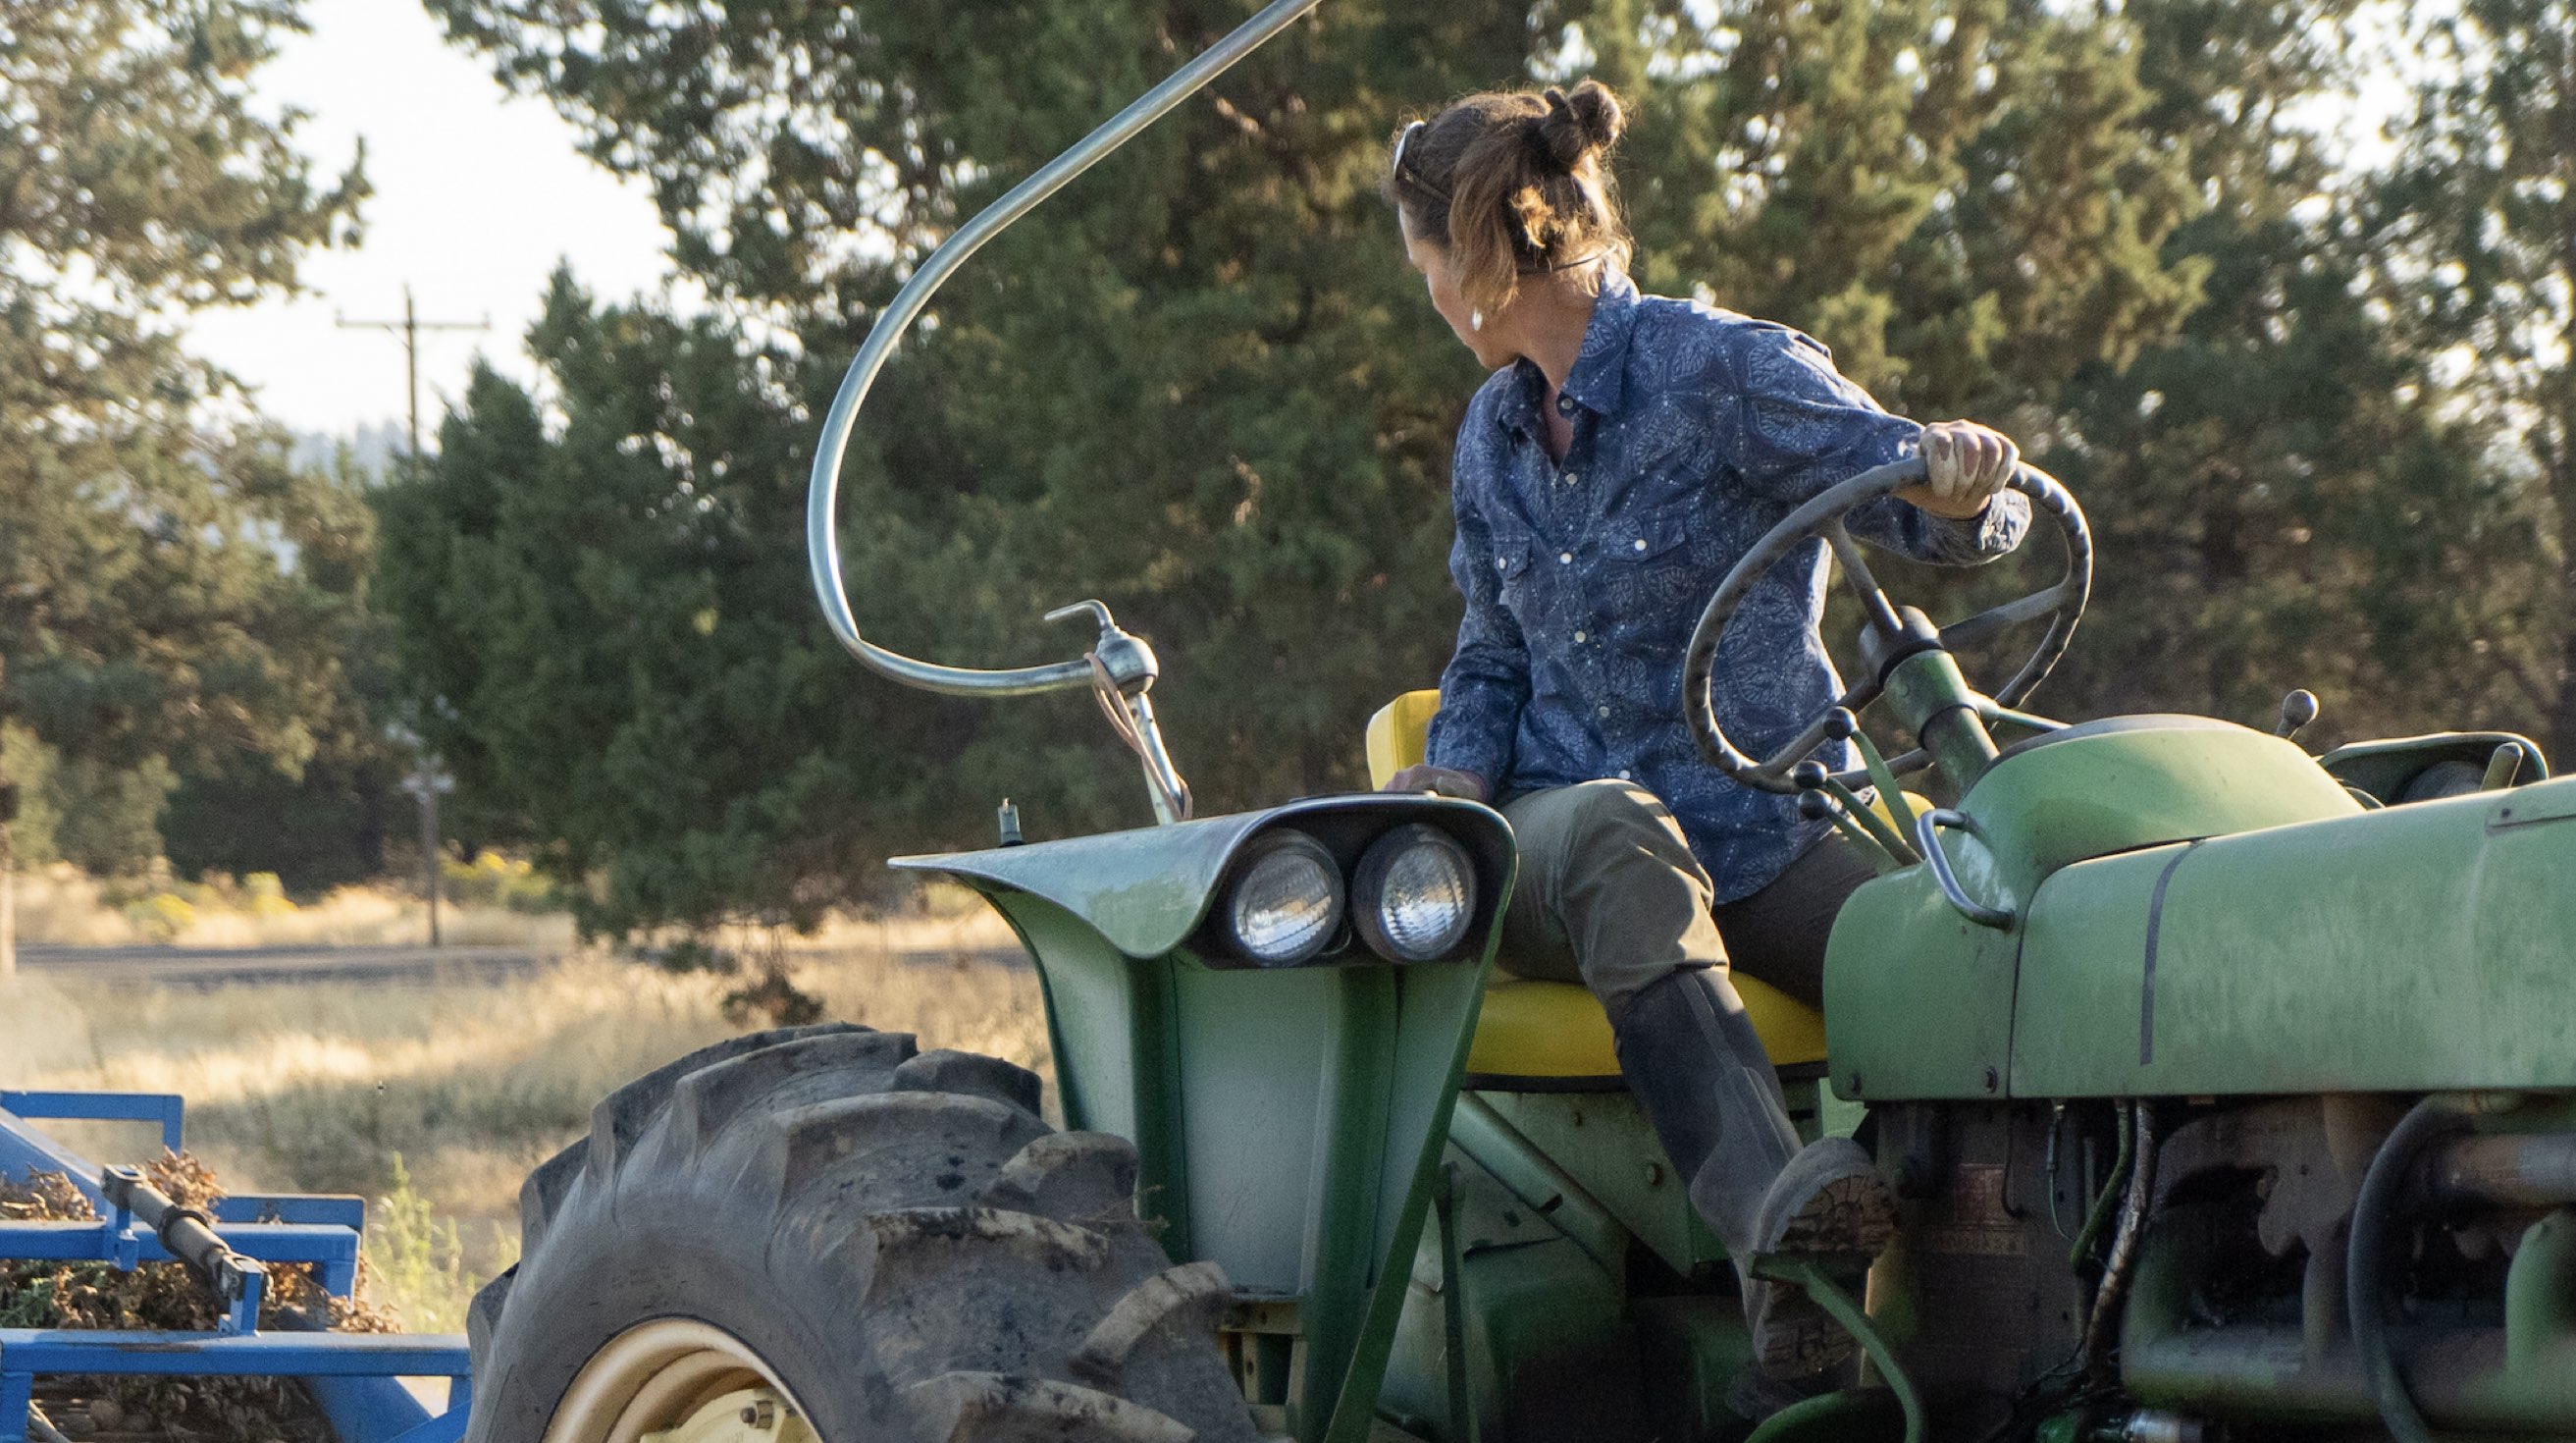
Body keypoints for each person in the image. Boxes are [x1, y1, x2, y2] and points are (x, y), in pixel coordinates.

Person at [1377, 80, 2029, 1381]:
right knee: (1622, 840)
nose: (1427, 294)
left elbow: (1911, 497)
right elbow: (1490, 649)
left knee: (1957, 959)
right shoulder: (1493, 434)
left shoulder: (1722, 370)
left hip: (1755, 826)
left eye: (1423, 264)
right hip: (1561, 837)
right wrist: (1450, 777)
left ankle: (2000, 1322)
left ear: (1478, 259)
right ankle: (1778, 1235)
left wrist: (1967, 485)